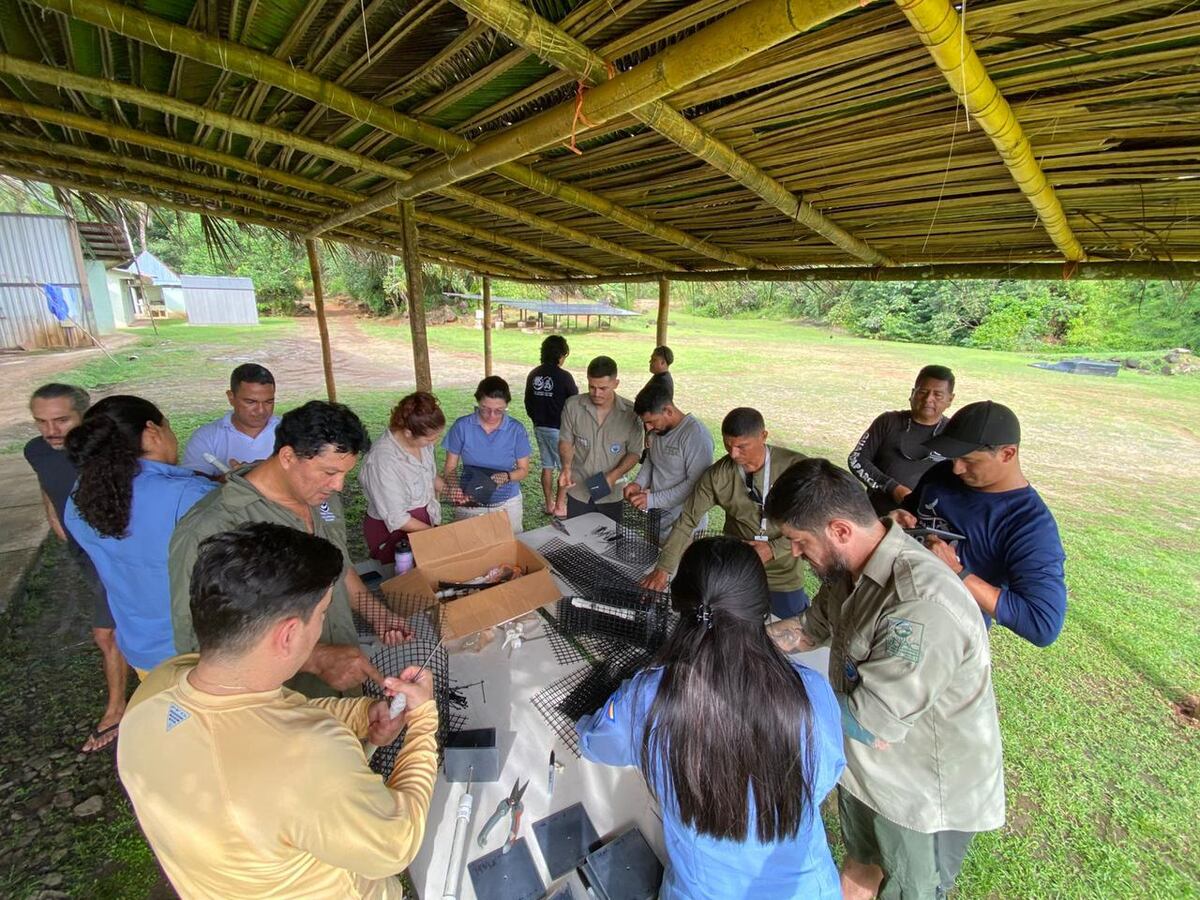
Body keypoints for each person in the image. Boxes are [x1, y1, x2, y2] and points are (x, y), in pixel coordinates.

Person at [119, 523, 437, 898]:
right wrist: (422, 720)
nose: (322, 626)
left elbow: (271, 712)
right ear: (288, 634)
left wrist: (361, 715)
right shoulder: (308, 758)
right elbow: (396, 844)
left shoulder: (158, 687)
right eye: (322, 614)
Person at [764, 458, 1005, 900]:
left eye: (800, 541)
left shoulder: (920, 603)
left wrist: (763, 695)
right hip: (865, 774)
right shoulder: (850, 571)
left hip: (919, 796)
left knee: (905, 889)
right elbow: (808, 630)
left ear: (839, 530)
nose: (794, 553)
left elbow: (869, 724)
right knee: (861, 865)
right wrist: (739, 647)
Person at [578, 537, 844, 899]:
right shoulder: (811, 690)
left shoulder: (648, 695)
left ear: (680, 603)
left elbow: (596, 744)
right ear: (761, 605)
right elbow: (825, 776)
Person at [170, 400, 407, 699]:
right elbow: (200, 643)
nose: (338, 486)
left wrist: (377, 613)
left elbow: (339, 566)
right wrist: (317, 659)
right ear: (287, 457)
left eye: (344, 474)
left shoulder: (321, 498)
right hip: (279, 702)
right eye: (329, 472)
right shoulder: (213, 527)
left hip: (341, 686)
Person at [64, 395, 217, 679]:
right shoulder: (188, 495)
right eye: (168, 427)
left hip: (141, 648)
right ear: (152, 431)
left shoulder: (80, 498)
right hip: (199, 650)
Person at [894, 400, 1067, 647]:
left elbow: (1041, 624)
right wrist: (894, 521)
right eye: (954, 458)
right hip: (893, 602)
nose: (956, 468)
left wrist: (957, 572)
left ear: (1007, 454)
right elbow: (910, 514)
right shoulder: (941, 474)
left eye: (969, 460)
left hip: (945, 635)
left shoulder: (1030, 525)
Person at [24, 384, 127, 751]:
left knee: (106, 632)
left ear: (86, 416)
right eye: (41, 421)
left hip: (115, 552)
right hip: (82, 554)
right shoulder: (35, 450)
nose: (51, 431)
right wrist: (54, 517)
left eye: (61, 420)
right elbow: (48, 482)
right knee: (116, 627)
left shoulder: (106, 452)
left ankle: (116, 710)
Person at [641, 408, 810, 618]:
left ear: (763, 436)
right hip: (737, 571)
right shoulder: (717, 476)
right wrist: (663, 569)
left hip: (783, 577)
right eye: (728, 446)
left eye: (741, 446)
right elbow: (687, 521)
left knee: (788, 629)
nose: (733, 454)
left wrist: (772, 549)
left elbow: (814, 522)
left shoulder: (795, 468)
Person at [848, 365, 955, 515]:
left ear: (950, 399)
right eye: (923, 392)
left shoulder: (954, 433)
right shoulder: (888, 421)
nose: (928, 399)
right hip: (876, 514)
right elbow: (856, 459)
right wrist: (892, 488)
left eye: (938, 395)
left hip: (927, 518)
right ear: (912, 393)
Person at [360, 391, 445, 564]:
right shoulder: (383, 460)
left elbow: (429, 474)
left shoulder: (422, 443)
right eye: (430, 438)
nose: (434, 442)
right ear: (407, 432)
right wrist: (436, 534)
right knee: (402, 572)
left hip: (423, 521)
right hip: (394, 532)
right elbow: (398, 518)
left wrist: (451, 490)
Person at [624, 379, 714, 542]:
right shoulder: (658, 431)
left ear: (668, 411)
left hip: (685, 525)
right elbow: (651, 461)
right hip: (656, 518)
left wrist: (651, 500)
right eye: (645, 423)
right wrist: (638, 483)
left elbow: (695, 484)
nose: (648, 428)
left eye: (651, 421)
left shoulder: (695, 435)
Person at [558, 356, 643, 523]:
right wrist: (566, 467)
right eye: (592, 387)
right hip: (579, 489)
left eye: (603, 388)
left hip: (612, 493)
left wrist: (612, 476)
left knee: (610, 537)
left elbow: (634, 452)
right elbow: (566, 441)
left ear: (616, 383)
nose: (597, 393)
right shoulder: (573, 406)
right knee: (576, 534)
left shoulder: (631, 413)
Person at [442, 376, 532, 533]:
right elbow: (450, 466)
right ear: (478, 402)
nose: (491, 415)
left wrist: (507, 476)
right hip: (470, 499)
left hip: (507, 503)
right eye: (485, 408)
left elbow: (523, 470)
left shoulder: (516, 430)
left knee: (510, 544)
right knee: (469, 544)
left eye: (499, 411)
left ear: (506, 405)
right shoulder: (462, 426)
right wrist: (456, 489)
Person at [182, 363, 280, 476]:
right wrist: (230, 480)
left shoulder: (291, 431)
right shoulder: (206, 437)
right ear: (231, 397)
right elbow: (193, 481)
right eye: (250, 402)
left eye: (269, 402)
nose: (261, 410)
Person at [524, 335, 578, 515]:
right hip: (559, 430)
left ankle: (549, 504)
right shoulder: (564, 376)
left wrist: (536, 420)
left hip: (540, 427)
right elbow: (575, 402)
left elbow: (528, 402)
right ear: (560, 355)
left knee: (547, 465)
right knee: (565, 467)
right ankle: (560, 506)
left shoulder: (534, 374)